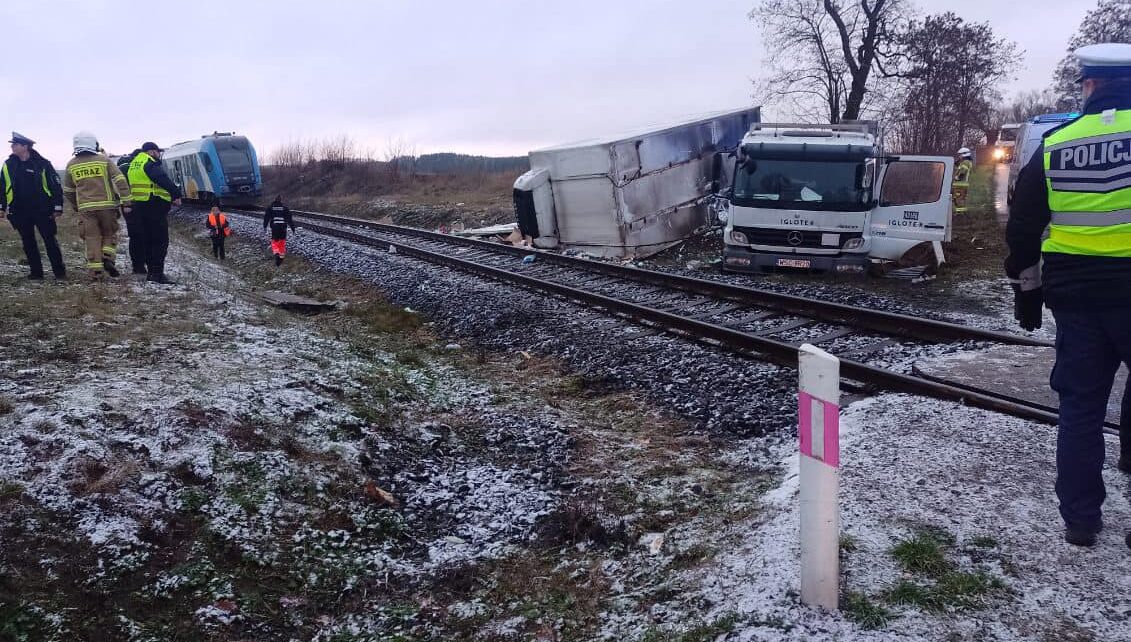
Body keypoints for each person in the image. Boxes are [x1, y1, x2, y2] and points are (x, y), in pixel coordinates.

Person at [1005, 43, 1131, 548]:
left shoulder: (1058, 142)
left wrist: (1026, 292)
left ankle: (1081, 520)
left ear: (1090, 86)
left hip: (1076, 296)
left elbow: (1023, 227)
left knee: (1080, 409)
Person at [62, 131, 132, 278]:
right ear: (93, 144)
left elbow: (68, 190)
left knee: (91, 238)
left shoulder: (71, 164)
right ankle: (107, 257)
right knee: (109, 233)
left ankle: (96, 272)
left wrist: (76, 206)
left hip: (86, 209)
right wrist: (126, 201)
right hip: (107, 206)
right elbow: (120, 180)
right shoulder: (103, 160)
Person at [0, 132, 66, 280]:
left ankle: (59, 272)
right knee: (28, 242)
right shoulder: (8, 165)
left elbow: (55, 185)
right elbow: (2, 187)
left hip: (42, 209)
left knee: (49, 240)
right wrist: (2, 207)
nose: (12, 147)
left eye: (15, 144)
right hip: (19, 210)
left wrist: (57, 206)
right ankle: (36, 273)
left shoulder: (42, 163)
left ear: (25, 146)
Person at [127, 142, 182, 283]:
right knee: (160, 241)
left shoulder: (135, 163)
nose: (158, 155)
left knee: (148, 240)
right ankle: (157, 273)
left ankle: (151, 271)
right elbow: (161, 179)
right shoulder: (150, 162)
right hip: (154, 205)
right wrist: (176, 194)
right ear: (152, 152)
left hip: (140, 206)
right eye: (157, 152)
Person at [117, 147, 147, 274]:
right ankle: (140, 265)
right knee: (140, 235)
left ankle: (138, 265)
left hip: (127, 206)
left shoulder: (120, 168)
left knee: (135, 236)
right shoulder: (132, 168)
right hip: (135, 205)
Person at [263, 196, 295, 266]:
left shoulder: (270, 208)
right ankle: (281, 258)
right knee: (282, 242)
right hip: (283, 227)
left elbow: (266, 218)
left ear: (274, 200)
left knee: (274, 242)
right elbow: (290, 219)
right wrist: (293, 228)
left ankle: (276, 253)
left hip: (275, 227)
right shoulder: (285, 208)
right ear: (281, 201)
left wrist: (265, 227)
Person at [952, 147, 974, 214]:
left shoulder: (965, 162)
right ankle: (960, 213)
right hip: (961, 184)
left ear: (964, 154)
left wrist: (957, 178)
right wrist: (957, 162)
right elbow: (957, 166)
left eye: (960, 155)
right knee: (957, 198)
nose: (959, 156)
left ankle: (960, 214)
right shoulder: (965, 162)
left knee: (959, 199)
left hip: (961, 184)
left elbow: (963, 172)